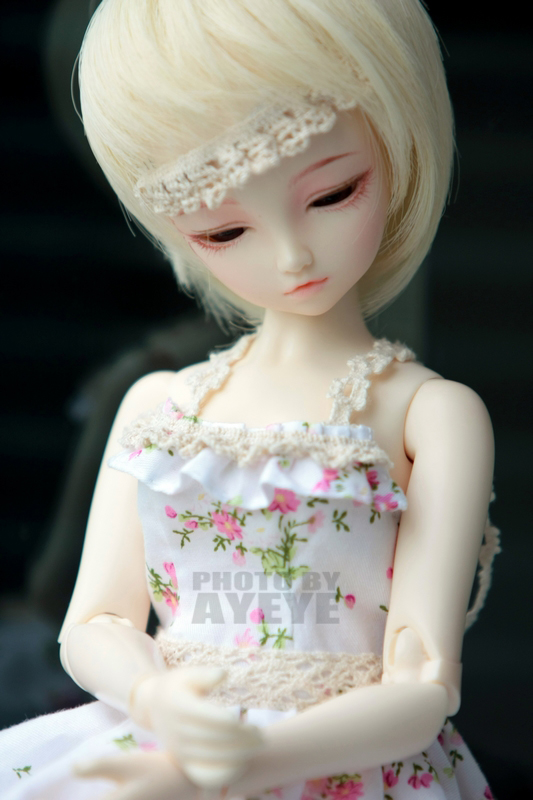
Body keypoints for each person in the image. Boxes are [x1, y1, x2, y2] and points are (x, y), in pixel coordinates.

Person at [0, 1, 499, 798]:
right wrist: (153, 696)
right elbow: (93, 624)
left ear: (398, 146)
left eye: (333, 192)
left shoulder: (428, 414)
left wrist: (247, 763)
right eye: (224, 232)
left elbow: (421, 683)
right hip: (163, 742)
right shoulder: (159, 406)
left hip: (341, 763)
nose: (292, 255)